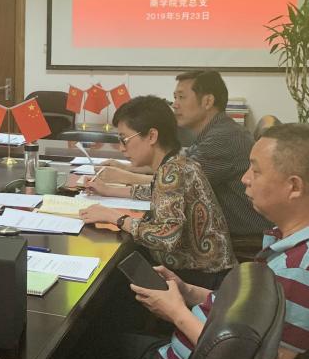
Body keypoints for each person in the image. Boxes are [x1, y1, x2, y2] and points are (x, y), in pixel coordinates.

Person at [73, 123, 309, 359]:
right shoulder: (286, 244)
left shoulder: (297, 270)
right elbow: (249, 317)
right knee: (82, 345)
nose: (245, 179)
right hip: (179, 352)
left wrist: (176, 312)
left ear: (294, 186)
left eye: (256, 171)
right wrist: (189, 292)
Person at [97, 71, 271, 260]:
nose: (175, 104)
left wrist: (117, 211)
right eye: (174, 98)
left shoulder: (224, 138)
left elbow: (172, 189)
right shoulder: (214, 132)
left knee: (125, 253)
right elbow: (168, 186)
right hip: (222, 238)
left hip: (241, 241)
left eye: (181, 97)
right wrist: (115, 185)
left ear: (207, 101)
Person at [80, 95, 235, 289]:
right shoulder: (176, 162)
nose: (121, 148)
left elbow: (167, 237)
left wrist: (114, 217)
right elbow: (158, 193)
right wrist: (108, 190)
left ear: (152, 136)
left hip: (202, 278)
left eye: (124, 139)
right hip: (206, 271)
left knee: (110, 279)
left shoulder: (172, 171)